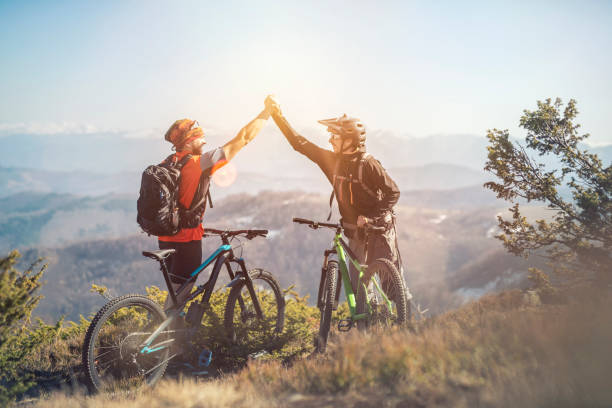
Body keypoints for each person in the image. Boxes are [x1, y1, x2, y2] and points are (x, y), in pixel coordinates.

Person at [265, 95, 411, 300]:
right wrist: (277, 116)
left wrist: (371, 218)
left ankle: (405, 324)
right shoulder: (333, 161)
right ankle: (367, 326)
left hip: (379, 230)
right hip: (355, 233)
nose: (330, 140)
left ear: (349, 140)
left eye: (335, 136)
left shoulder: (368, 164)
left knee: (392, 286)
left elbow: (393, 192)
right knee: (359, 289)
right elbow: (300, 144)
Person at [158, 104, 271, 309]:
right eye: (201, 138)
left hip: (164, 237)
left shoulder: (168, 162)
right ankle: (166, 339)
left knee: (176, 294)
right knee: (179, 300)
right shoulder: (200, 162)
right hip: (187, 241)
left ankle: (168, 333)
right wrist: (266, 114)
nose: (204, 142)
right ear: (191, 140)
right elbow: (243, 138)